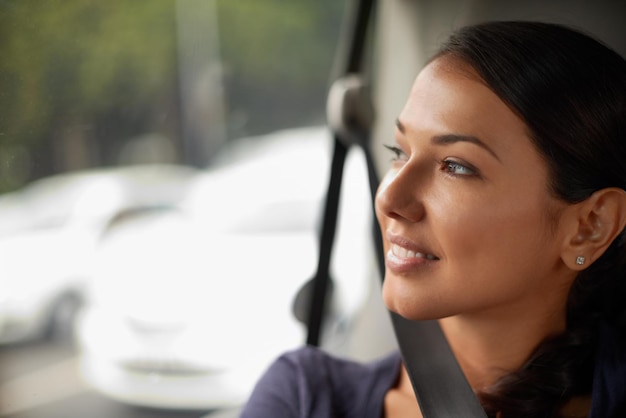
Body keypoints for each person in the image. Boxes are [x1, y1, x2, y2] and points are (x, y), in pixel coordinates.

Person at [240, 20, 626, 418]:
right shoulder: (303, 398)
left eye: (456, 166)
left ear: (589, 226)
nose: (389, 197)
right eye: (400, 151)